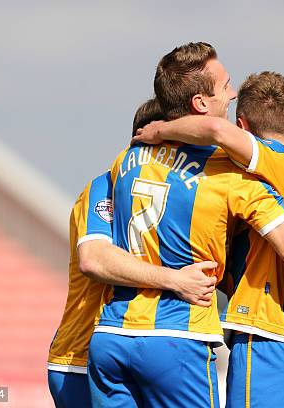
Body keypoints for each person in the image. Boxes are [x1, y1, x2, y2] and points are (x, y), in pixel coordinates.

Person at [87, 42, 284, 408]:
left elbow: (93, 257)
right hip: (189, 334)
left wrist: (159, 133)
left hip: (111, 335)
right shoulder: (237, 174)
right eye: (225, 86)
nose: (230, 93)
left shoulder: (123, 163)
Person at [47, 99, 217, 408]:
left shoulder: (249, 178)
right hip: (82, 357)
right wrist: (176, 280)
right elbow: (93, 259)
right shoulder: (105, 187)